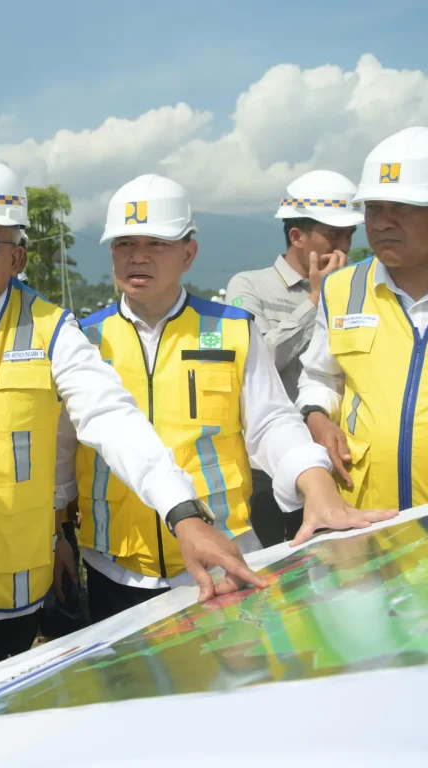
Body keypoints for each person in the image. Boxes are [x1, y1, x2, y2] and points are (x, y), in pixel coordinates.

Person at [0, 154, 268, 706]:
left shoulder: (52, 331)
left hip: (0, 593)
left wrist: (182, 513)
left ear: (16, 256)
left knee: (1, 725)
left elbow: (111, 418)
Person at [74, 174, 393, 623]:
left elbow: (272, 422)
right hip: (117, 567)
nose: (138, 256)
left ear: (189, 253)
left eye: (156, 244)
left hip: (224, 559)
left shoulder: (232, 329)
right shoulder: (84, 339)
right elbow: (64, 448)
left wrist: (315, 481)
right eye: (125, 244)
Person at [226, 171, 362, 546]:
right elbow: (255, 361)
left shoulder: (355, 289)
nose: (344, 246)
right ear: (297, 236)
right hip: (267, 468)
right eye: (333, 235)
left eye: (349, 234)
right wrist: (316, 300)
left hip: (335, 458)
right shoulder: (249, 286)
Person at [298, 126, 428, 512]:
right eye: (373, 208)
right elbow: (320, 376)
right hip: (367, 515)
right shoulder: (341, 289)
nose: (383, 223)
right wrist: (317, 417)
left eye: (402, 207)